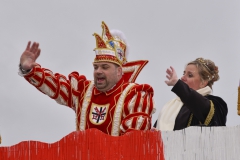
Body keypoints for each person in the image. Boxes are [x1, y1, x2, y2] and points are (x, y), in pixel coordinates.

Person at [18, 21, 155, 136]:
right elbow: (56, 86)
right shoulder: (83, 90)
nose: (98, 72)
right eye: (96, 67)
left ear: (119, 71)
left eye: (105, 67)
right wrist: (30, 69)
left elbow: (134, 141)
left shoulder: (135, 95)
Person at [153, 57, 228, 131]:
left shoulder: (217, 103)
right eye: (184, 73)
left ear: (203, 82)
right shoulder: (171, 105)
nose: (182, 78)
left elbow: (197, 102)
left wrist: (177, 84)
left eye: (190, 75)